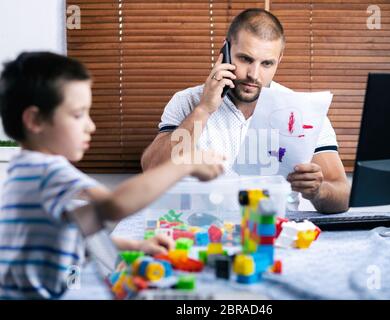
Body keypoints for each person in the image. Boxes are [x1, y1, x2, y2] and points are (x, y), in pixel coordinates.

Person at [0, 52, 224, 299]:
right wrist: (183, 163)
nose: (91, 126)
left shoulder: (25, 171)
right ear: (35, 120)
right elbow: (114, 204)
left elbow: (76, 234)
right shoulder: (46, 170)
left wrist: (135, 246)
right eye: (78, 115)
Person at [141, 8, 350, 213]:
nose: (254, 75)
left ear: (279, 60)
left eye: (267, 63)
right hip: (199, 232)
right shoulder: (187, 101)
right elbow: (152, 170)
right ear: (226, 51)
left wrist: (318, 190)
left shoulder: (303, 111)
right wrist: (204, 109)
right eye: (245, 59)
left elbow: (341, 196)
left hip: (271, 235)